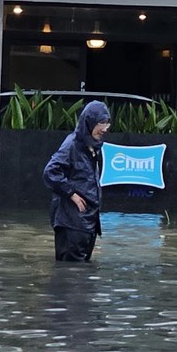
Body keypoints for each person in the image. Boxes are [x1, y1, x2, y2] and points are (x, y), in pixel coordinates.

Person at [44, 100, 110, 262]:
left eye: (107, 123)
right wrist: (71, 193)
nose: (105, 128)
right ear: (89, 121)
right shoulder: (71, 144)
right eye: (101, 122)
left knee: (81, 275)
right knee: (71, 275)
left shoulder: (92, 147)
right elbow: (50, 172)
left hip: (88, 223)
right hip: (71, 223)